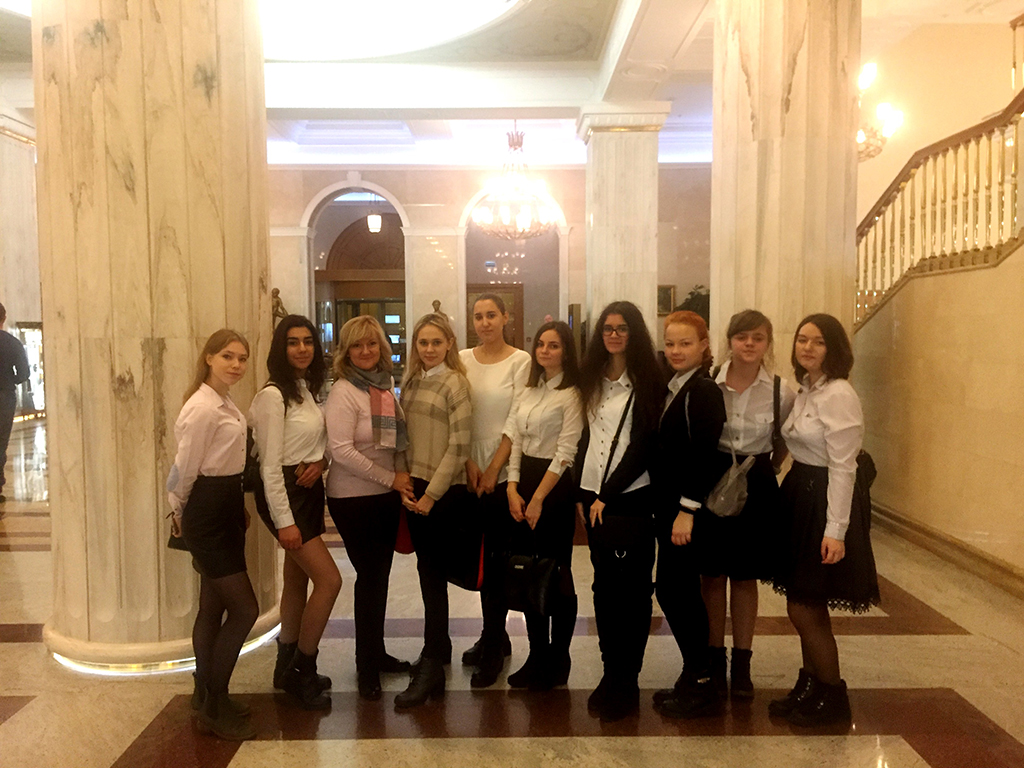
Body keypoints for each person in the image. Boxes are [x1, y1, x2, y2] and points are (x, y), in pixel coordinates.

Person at [770, 313, 880, 727]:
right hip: (801, 493)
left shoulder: (839, 394)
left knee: (804, 606)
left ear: (833, 349)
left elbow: (844, 467)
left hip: (824, 500)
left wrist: (836, 531)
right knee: (803, 600)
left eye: (818, 341)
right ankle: (811, 684)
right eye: (802, 339)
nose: (808, 347)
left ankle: (833, 695)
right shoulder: (807, 389)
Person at [574, 301, 665, 722]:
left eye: (622, 328)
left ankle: (628, 679)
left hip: (629, 498)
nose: (613, 335)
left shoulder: (648, 381)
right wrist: (582, 493)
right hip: (594, 498)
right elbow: (584, 439)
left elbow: (642, 448)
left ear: (635, 334)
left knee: (633, 592)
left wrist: (606, 495)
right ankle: (611, 672)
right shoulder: (591, 379)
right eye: (608, 328)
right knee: (604, 590)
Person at [167, 329, 258, 741]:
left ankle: (204, 691)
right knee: (245, 610)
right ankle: (215, 703)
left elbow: (227, 462)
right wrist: (178, 511)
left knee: (212, 606)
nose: (236, 364)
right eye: (228, 356)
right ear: (208, 358)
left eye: (242, 358)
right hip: (205, 513)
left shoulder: (225, 402)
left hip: (224, 506)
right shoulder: (202, 407)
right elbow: (183, 469)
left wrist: (236, 503)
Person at [249, 315, 341, 710]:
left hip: (307, 489)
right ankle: (302, 668)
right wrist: (284, 522)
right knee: (330, 581)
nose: (302, 348)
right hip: (285, 494)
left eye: (307, 341)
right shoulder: (273, 396)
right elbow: (269, 466)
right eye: (292, 342)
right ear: (280, 349)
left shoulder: (306, 389)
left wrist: (321, 461)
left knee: (296, 579)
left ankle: (285, 664)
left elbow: (316, 443)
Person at [702, 310, 795, 700]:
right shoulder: (709, 383)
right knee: (711, 575)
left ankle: (741, 664)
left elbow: (784, 438)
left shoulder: (780, 391)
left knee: (744, 577)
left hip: (755, 483)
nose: (750, 344)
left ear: (767, 343)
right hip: (712, 478)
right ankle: (713, 659)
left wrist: (767, 469)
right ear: (730, 341)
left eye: (758, 337)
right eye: (742, 337)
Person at [324, 315, 415, 701]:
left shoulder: (383, 386)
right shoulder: (343, 391)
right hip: (353, 499)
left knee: (379, 579)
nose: (365, 351)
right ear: (346, 352)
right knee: (370, 578)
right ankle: (366, 666)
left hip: (384, 497)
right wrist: (389, 478)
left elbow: (392, 443)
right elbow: (340, 450)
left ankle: (376, 653)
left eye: (372, 343)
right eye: (357, 345)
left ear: (382, 347)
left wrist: (398, 480)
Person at [650, 311, 726, 719]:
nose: (676, 351)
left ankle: (701, 679)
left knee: (676, 591)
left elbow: (704, 456)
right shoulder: (675, 385)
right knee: (675, 591)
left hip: (686, 512)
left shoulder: (703, 390)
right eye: (670, 343)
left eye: (685, 343)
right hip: (669, 507)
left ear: (703, 345)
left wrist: (687, 510)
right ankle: (695, 673)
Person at [395, 313, 473, 709]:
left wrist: (432, 496)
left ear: (449, 344)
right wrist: (404, 480)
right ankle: (438, 649)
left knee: (434, 575)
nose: (429, 349)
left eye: (436, 342)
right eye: (423, 342)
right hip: (415, 486)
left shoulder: (455, 383)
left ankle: (431, 662)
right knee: (427, 574)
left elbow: (459, 446)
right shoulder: (411, 381)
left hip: (443, 493)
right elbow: (402, 437)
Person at [505, 321, 583, 690]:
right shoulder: (528, 389)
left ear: (566, 351)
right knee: (528, 572)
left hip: (554, 488)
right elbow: (516, 441)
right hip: (524, 484)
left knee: (557, 571)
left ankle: (559, 656)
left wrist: (538, 499)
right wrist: (512, 487)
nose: (545, 351)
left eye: (554, 345)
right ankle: (537, 655)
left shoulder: (573, 394)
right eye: (541, 344)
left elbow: (566, 452)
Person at [458, 294, 530, 687]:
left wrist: (493, 469)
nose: (484, 322)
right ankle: (494, 635)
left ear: (505, 317)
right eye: (478, 316)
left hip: (503, 470)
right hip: (468, 468)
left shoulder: (520, 361)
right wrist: (470, 462)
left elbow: (517, 418)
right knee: (476, 557)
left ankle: (493, 643)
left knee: (499, 560)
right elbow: (459, 413)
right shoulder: (462, 359)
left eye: (491, 315)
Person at [0, 303, 29, 505]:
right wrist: (10, 380)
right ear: (3, 319)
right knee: (1, 442)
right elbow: (24, 373)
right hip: (4, 397)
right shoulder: (12, 343)